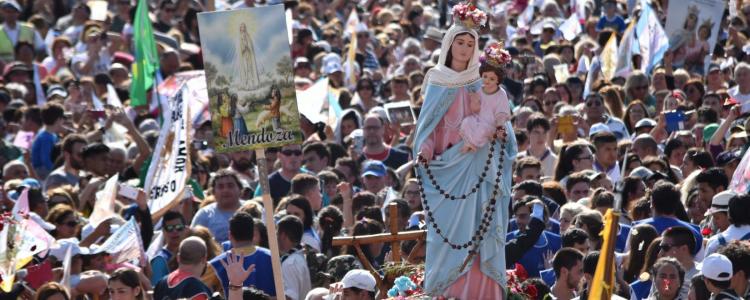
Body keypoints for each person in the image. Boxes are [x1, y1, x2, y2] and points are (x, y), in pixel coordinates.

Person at [413, 4, 516, 297]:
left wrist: (495, 132)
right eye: (460, 42)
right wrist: (424, 151)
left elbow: (503, 125)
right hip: (447, 170)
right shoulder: (436, 81)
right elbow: (428, 129)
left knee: (480, 232)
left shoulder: (482, 82)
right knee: (447, 239)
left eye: (471, 43)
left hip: (480, 167)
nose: (464, 48)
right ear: (449, 44)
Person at [458, 41, 511, 153]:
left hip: (491, 123)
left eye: (492, 79)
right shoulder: (479, 90)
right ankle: (469, 143)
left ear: (498, 80)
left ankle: (474, 143)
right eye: (485, 76)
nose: (487, 81)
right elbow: (475, 110)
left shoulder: (501, 94)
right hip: (478, 118)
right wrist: (474, 100)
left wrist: (500, 125)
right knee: (466, 122)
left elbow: (502, 112)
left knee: (482, 130)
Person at [207, 212, 275, 298]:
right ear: (253, 234)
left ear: (230, 235)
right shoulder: (273, 258)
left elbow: (199, 292)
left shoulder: (215, 265)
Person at [192, 169, 244, 243]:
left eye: (230, 186)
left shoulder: (251, 208)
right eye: (220, 187)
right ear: (213, 192)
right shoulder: (204, 214)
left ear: (240, 189)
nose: (226, 190)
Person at [277, 215, 312, 300]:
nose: (276, 236)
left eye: (277, 233)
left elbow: (289, 298)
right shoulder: (297, 258)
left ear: (283, 235)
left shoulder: (290, 263)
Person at [704, 193, 750, 257]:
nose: (714, 222)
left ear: (729, 214)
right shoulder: (715, 242)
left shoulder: (715, 242)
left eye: (717, 217)